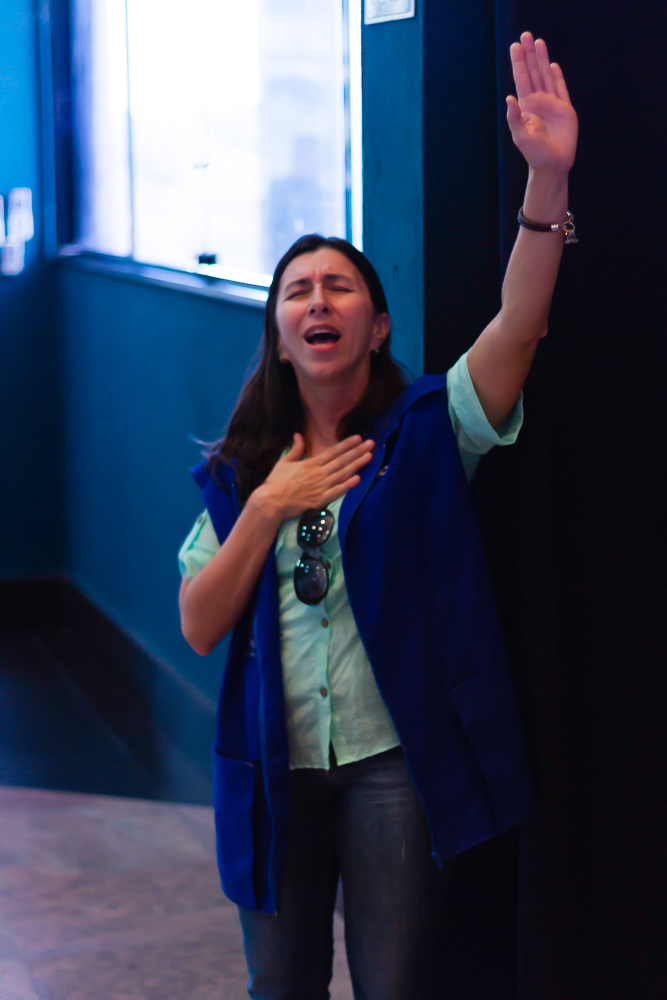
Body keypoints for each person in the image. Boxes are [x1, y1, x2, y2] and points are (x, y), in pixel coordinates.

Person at [178, 32, 578, 1000]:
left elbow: (517, 326)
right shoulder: (242, 475)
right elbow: (198, 625)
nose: (317, 300)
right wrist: (269, 508)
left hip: (390, 763)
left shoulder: (428, 430)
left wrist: (547, 181)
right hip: (274, 766)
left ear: (375, 323)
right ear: (278, 334)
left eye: (339, 286)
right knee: (280, 985)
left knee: (395, 984)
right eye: (298, 291)